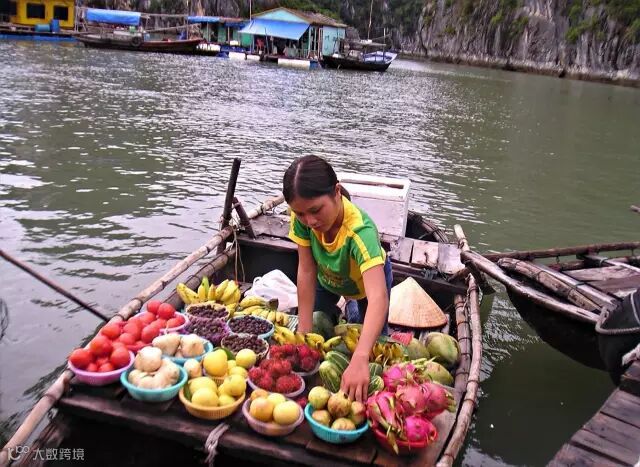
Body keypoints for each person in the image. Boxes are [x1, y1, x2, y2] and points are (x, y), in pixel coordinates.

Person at [283, 155, 392, 402]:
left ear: (337, 192)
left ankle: (353, 309)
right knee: (316, 328)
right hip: (327, 278)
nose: (310, 221)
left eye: (315, 210)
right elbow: (306, 270)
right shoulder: (302, 219)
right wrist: (304, 332)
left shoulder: (360, 232)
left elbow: (378, 297)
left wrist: (360, 358)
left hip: (365, 288)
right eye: (300, 213)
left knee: (374, 348)